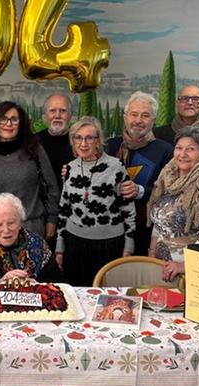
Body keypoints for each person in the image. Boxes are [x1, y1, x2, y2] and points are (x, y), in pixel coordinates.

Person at [55, 117, 135, 286]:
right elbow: (64, 209)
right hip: (74, 245)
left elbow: (128, 208)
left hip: (109, 245)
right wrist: (59, 248)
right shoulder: (69, 168)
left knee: (106, 294)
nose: (83, 143)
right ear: (73, 141)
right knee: (76, 294)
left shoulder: (116, 166)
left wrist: (128, 247)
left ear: (98, 141)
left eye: (89, 138)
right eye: (78, 138)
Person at [148, 126, 199, 283]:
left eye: (191, 149)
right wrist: (152, 253)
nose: (182, 154)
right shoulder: (168, 174)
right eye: (179, 148)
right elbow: (160, 218)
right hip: (165, 268)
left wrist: (186, 265)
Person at [0, 101, 59, 242]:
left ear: (21, 123)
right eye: (3, 119)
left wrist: (52, 219)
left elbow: (51, 186)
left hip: (31, 228)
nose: (9, 124)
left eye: (14, 119)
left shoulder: (34, 148)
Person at [106, 92, 173, 256]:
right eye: (134, 114)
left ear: (153, 120)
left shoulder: (166, 151)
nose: (138, 120)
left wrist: (140, 191)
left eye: (145, 115)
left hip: (145, 231)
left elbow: (171, 192)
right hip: (108, 228)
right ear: (125, 117)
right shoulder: (108, 146)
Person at [153, 84, 199, 152]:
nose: (190, 103)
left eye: (196, 99)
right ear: (177, 105)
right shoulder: (157, 135)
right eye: (184, 99)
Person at [36, 92, 74, 192]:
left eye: (63, 111)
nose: (57, 115)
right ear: (45, 115)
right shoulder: (33, 142)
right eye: (52, 110)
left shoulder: (80, 141)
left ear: (70, 115)